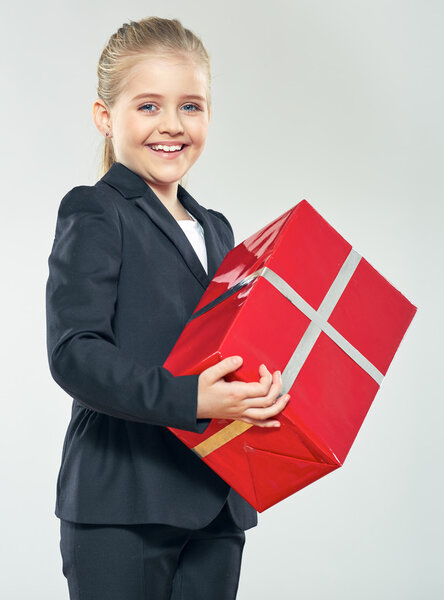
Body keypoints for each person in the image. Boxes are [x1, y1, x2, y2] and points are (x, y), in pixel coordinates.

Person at [45, 16, 290, 600]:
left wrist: (264, 390)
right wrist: (191, 398)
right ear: (106, 116)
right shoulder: (95, 211)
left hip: (217, 509)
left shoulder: (219, 229)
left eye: (192, 106)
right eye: (149, 106)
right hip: (122, 505)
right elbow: (74, 354)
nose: (173, 126)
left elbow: (230, 350)